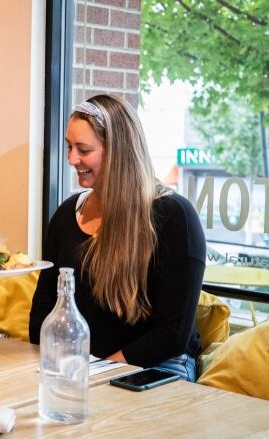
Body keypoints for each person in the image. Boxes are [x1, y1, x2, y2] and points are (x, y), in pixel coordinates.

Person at [29, 94, 206, 382]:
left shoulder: (175, 217)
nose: (72, 159)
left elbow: (171, 334)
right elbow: (44, 306)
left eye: (83, 150)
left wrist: (97, 371)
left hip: (158, 366)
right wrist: (59, 364)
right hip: (83, 367)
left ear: (118, 151)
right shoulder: (65, 215)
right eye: (69, 147)